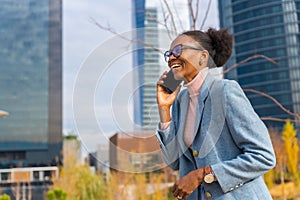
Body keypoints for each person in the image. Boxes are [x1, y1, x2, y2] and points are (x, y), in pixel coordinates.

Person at [156, 28, 276, 200]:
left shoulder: (225, 91)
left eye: (178, 50)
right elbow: (173, 162)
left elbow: (264, 156)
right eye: (169, 54)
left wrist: (203, 175)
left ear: (203, 57)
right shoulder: (181, 101)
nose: (171, 58)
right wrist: (164, 109)